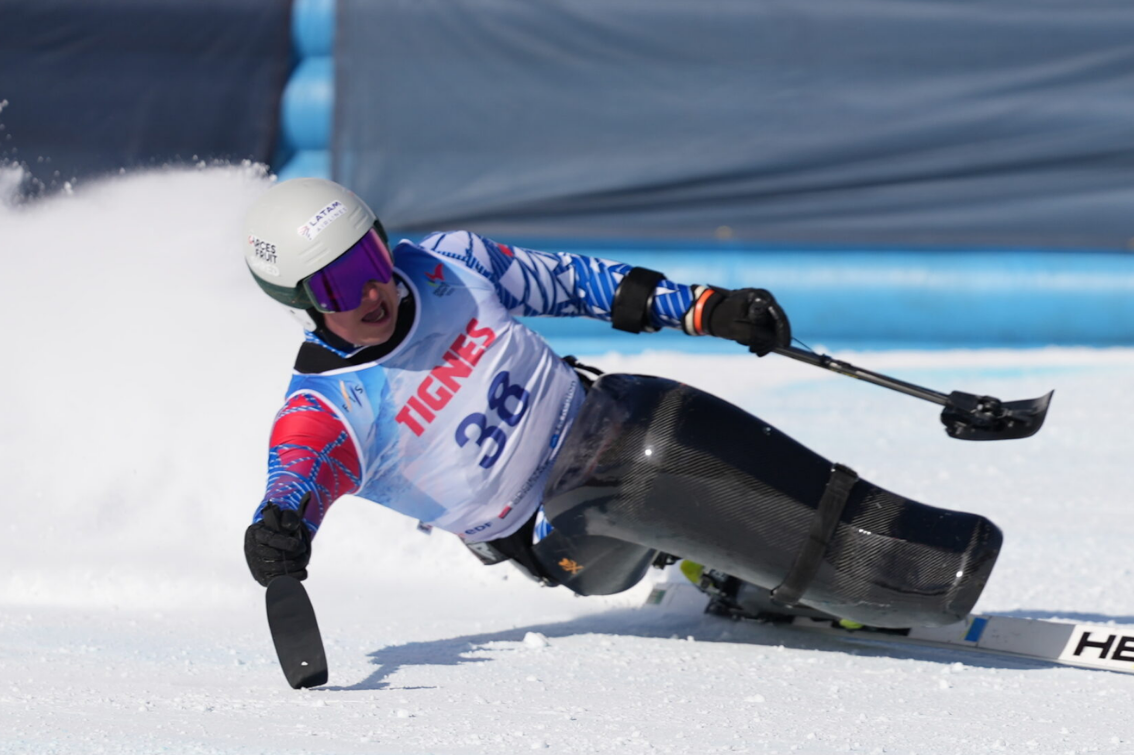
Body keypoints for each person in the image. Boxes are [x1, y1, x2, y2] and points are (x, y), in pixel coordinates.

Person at [243, 178, 999, 628]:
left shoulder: (448, 263)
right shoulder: (330, 409)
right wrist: (277, 531)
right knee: (643, 455)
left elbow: (576, 282)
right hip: (552, 533)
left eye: (370, 259)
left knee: (650, 411)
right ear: (302, 308)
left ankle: (877, 534)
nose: (373, 290)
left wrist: (706, 308)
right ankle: (845, 580)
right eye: (340, 288)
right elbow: (294, 482)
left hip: (613, 425)